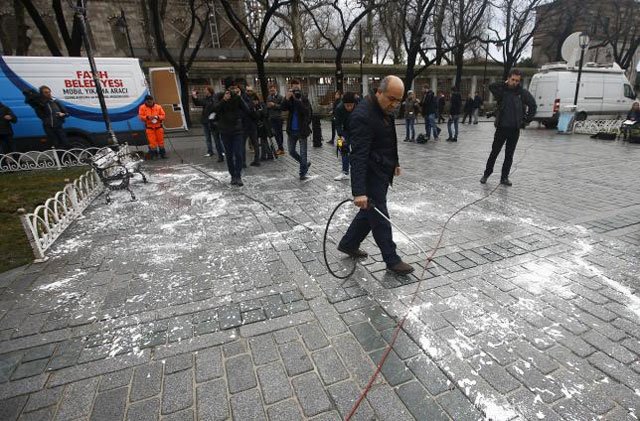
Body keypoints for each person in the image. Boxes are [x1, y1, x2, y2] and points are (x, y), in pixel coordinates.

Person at [337, 75, 415, 276]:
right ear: (378, 91)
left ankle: (348, 243)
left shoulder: (384, 107)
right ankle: (392, 259)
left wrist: (395, 163)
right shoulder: (362, 116)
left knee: (370, 212)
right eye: (392, 98)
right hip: (371, 174)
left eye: (399, 100)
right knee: (380, 216)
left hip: (382, 169)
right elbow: (358, 157)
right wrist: (359, 192)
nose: (395, 104)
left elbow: (389, 138)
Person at [480, 69, 537, 186]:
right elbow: (491, 86)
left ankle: (504, 177)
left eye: (517, 81)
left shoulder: (522, 93)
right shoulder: (502, 91)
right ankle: (486, 174)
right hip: (502, 128)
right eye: (513, 80)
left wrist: (526, 120)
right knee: (494, 152)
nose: (515, 82)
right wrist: (504, 83)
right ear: (509, 79)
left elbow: (533, 105)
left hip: (514, 129)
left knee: (509, 155)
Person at [214, 77, 250, 186]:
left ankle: (238, 175)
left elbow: (247, 110)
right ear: (226, 88)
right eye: (230, 87)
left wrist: (238, 116)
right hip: (225, 131)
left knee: (238, 154)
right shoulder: (219, 96)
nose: (232, 89)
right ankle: (233, 175)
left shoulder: (238, 98)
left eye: (234, 87)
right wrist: (223, 100)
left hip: (237, 130)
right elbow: (214, 109)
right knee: (229, 155)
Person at [281, 79, 313, 180]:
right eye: (294, 88)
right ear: (291, 88)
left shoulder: (304, 99)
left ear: (300, 87)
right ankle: (305, 164)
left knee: (303, 153)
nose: (296, 90)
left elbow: (306, 112)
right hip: (291, 130)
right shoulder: (289, 98)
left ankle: (302, 173)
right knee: (291, 151)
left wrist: (297, 100)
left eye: (297, 87)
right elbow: (283, 108)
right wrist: (286, 98)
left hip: (302, 131)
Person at [192, 86, 224, 161]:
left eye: (205, 90)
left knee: (217, 138)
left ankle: (222, 151)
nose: (204, 91)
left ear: (209, 91)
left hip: (213, 121)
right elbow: (198, 103)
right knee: (208, 138)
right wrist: (194, 96)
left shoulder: (214, 98)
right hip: (205, 121)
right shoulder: (205, 99)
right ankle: (210, 151)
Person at [333, 92, 357, 181]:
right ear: (344, 104)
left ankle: (359, 171)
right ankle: (345, 172)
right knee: (342, 147)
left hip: (357, 130)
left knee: (358, 150)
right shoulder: (339, 108)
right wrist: (341, 135)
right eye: (347, 106)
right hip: (344, 131)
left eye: (351, 105)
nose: (349, 108)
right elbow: (337, 124)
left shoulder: (359, 105)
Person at [251, 93, 275, 160]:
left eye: (255, 100)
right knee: (263, 141)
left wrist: (259, 112)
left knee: (263, 141)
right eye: (253, 101)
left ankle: (268, 155)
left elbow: (265, 113)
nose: (254, 102)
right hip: (258, 126)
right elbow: (254, 115)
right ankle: (265, 156)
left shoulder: (262, 104)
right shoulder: (253, 107)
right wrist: (259, 112)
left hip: (264, 126)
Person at [266, 84, 285, 155]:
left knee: (279, 133)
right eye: (270, 91)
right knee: (275, 133)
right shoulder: (269, 97)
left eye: (273, 90)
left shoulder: (280, 97)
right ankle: (280, 148)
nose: (272, 92)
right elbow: (267, 106)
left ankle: (281, 148)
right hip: (271, 117)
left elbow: (283, 107)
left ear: (275, 89)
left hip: (279, 117)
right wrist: (268, 106)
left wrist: (274, 105)